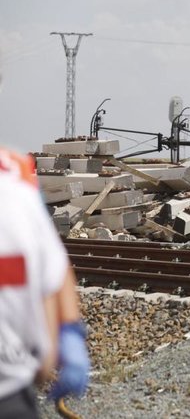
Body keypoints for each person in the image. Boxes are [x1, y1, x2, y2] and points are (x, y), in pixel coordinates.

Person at [0, 147, 90, 418]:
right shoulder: (15, 180)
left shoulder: (15, 182)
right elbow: (53, 268)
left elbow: (53, 266)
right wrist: (68, 332)